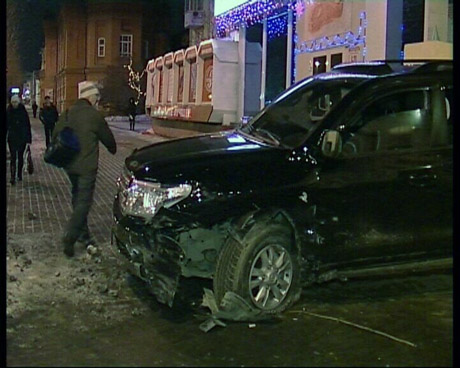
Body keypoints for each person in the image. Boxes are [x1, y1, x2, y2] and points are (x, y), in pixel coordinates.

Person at [52, 81, 117, 257]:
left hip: (70, 165)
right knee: (83, 202)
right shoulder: (94, 116)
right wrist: (112, 149)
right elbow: (109, 141)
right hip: (86, 166)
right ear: (90, 97)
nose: (98, 100)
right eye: (96, 97)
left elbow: (55, 134)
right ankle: (70, 236)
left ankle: (83, 234)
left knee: (77, 197)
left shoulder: (68, 112)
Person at [6, 95, 32, 185]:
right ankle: (12, 176)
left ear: (19, 102)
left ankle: (19, 174)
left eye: (16, 102)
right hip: (12, 137)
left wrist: (29, 139)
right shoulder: (8, 111)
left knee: (20, 156)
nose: (14, 104)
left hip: (22, 137)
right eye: (13, 102)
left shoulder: (23, 111)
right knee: (13, 157)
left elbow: (27, 125)